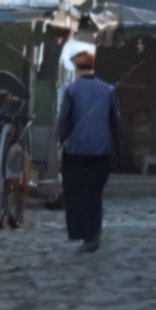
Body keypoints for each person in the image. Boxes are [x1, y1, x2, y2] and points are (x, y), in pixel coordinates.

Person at [54, 48, 124, 253]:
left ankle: (83, 234)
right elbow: (115, 122)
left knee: (76, 195)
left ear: (76, 69)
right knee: (94, 194)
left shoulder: (72, 90)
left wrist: (61, 142)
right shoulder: (108, 90)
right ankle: (94, 233)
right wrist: (117, 152)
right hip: (100, 151)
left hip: (76, 151)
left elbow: (64, 120)